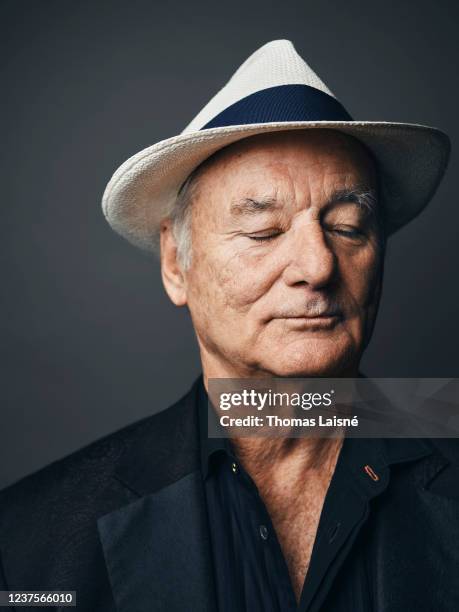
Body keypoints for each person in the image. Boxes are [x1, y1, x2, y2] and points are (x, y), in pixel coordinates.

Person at [0, 39, 457, 612]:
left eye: (346, 226)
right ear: (176, 264)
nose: (317, 267)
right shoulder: (29, 545)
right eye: (264, 232)